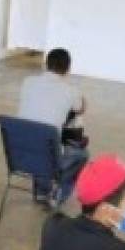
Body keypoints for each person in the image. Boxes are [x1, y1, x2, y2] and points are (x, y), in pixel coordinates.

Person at [18, 47, 90, 205]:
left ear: (46, 64)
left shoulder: (27, 82)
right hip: (46, 154)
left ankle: (42, 191)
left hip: (19, 153)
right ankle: (58, 194)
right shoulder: (70, 90)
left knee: (39, 139)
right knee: (82, 155)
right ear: (68, 68)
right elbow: (80, 108)